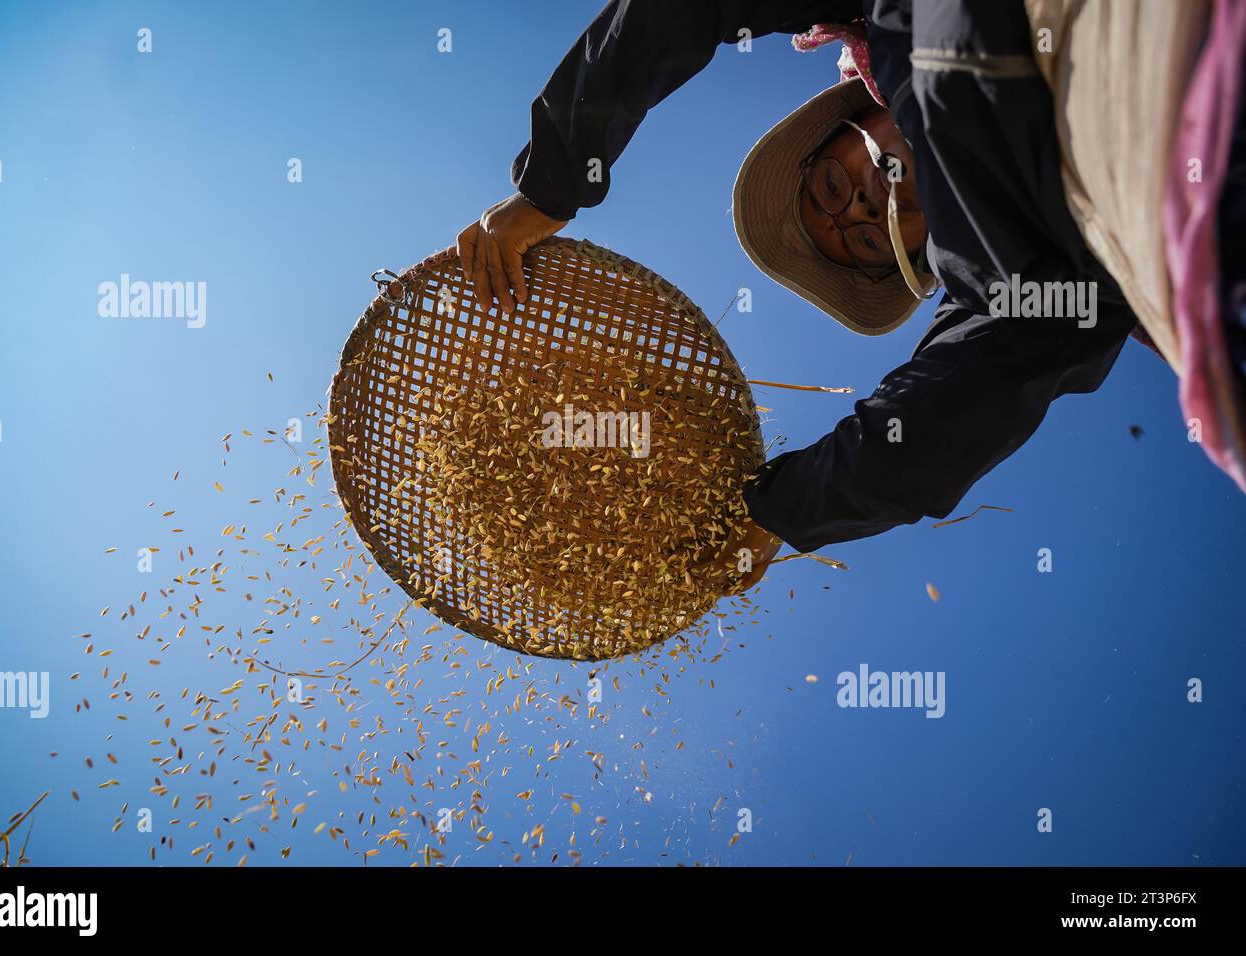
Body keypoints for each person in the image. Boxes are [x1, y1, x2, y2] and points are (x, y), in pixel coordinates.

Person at [457, 0, 1244, 591]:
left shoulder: (902, 18)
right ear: (914, 254)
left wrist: (558, 177)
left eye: (833, 184)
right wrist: (778, 510)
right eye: (865, 238)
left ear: (857, 111)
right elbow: (954, 405)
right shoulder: (1019, 281)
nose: (859, 207)